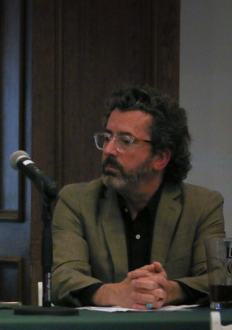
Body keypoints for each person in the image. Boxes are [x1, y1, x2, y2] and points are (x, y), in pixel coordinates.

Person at [51, 85, 225, 309]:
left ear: (160, 158)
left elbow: (216, 279)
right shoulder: (76, 200)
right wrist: (117, 293)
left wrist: (165, 290)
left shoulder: (203, 205)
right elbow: (63, 279)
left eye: (125, 140)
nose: (108, 150)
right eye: (107, 137)